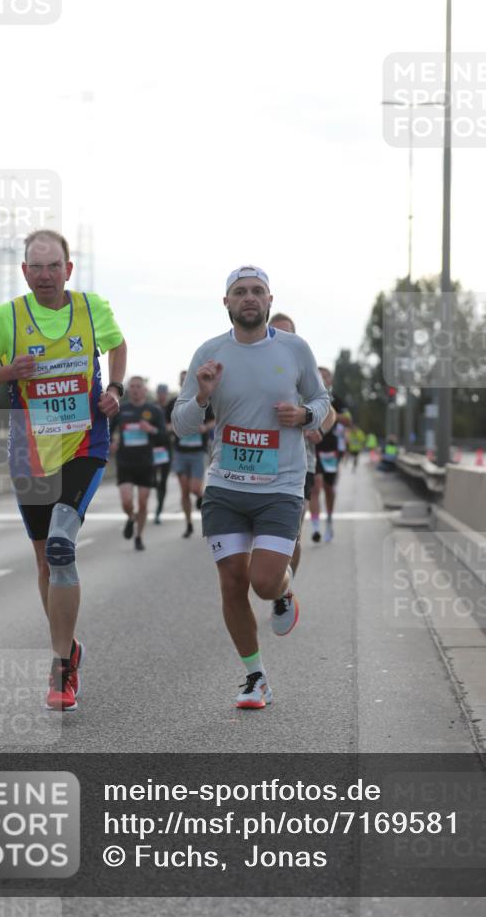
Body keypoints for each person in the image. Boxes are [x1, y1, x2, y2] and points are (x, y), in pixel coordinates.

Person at [0, 229, 126, 711]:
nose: (45, 275)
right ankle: (68, 645)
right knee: (44, 560)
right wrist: (6, 372)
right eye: (36, 267)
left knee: (60, 546)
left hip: (85, 443)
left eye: (53, 266)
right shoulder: (6, 317)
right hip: (30, 454)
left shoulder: (91, 308)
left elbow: (117, 346)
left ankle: (61, 667)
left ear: (68, 269)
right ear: (24, 272)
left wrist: (114, 389)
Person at [172, 267, 330, 709]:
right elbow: (181, 424)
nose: (249, 298)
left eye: (257, 291)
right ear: (226, 302)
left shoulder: (295, 350)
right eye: (239, 292)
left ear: (269, 299)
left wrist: (305, 416)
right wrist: (201, 397)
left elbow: (322, 402)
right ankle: (255, 677)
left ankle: (282, 591)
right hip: (225, 485)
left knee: (262, 582)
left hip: (280, 484)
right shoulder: (210, 353)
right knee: (232, 582)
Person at [269, 312, 336, 576]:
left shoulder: (304, 370)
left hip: (299, 464)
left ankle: (284, 588)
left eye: (287, 334)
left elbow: (328, 410)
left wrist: (318, 427)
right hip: (257, 461)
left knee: (291, 536)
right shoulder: (249, 365)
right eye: (275, 333)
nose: (281, 339)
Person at [110, 377, 166, 550]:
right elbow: (108, 430)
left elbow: (164, 436)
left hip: (146, 463)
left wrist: (151, 430)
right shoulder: (121, 409)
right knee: (127, 502)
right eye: (132, 387)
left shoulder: (154, 410)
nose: (135, 390)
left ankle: (139, 536)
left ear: (144, 389)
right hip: (125, 462)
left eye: (138, 387)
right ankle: (131, 517)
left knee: (143, 502)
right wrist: (111, 442)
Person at [167, 370, 215, 539]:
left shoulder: (204, 401)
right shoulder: (173, 402)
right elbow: (166, 424)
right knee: (184, 491)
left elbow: (213, 421)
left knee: (195, 489)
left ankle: (202, 500)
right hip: (180, 452)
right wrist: (176, 427)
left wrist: (205, 427)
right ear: (180, 383)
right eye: (182, 380)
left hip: (197, 452)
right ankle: (188, 523)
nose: (184, 383)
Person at [309, 366, 351, 543]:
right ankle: (315, 527)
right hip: (313, 448)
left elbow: (348, 420)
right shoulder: (309, 397)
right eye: (319, 376)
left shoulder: (337, 401)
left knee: (329, 489)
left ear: (330, 381)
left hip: (331, 451)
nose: (322, 379)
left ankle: (329, 521)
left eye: (325, 377)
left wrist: (331, 414)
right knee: (315, 485)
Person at [152, 383, 172, 523]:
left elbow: (176, 423)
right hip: (152, 448)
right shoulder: (152, 407)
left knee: (163, 481)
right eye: (160, 392)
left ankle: (159, 510)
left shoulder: (171, 407)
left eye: (164, 392)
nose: (162, 395)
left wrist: (167, 427)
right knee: (152, 479)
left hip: (165, 448)